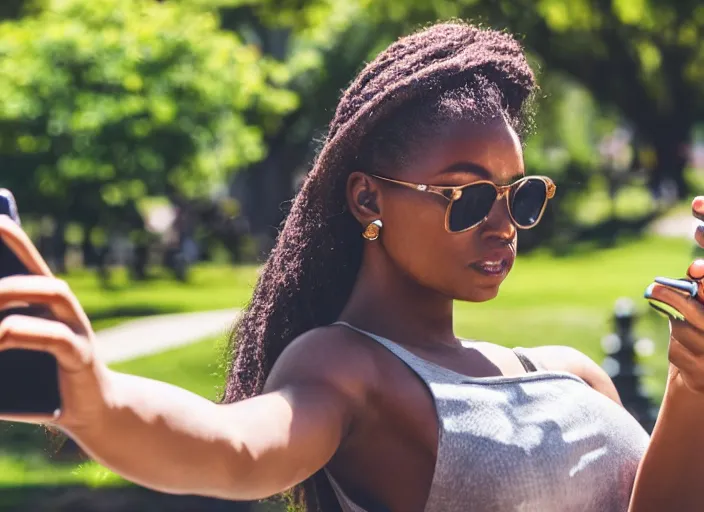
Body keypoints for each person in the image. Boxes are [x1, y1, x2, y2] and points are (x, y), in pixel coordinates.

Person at [1, 21, 704, 512]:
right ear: (369, 196)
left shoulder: (574, 371)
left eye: (519, 195)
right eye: (467, 197)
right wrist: (99, 402)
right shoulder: (347, 369)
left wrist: (691, 378)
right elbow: (233, 452)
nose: (503, 223)